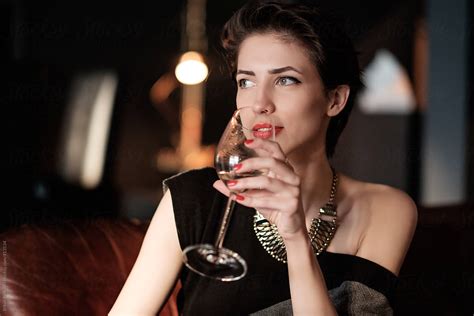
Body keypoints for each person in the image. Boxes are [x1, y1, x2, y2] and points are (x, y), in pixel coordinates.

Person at [109, 1, 417, 315]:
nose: (260, 103)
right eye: (247, 81)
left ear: (334, 99)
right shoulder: (193, 199)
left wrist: (296, 237)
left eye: (286, 80)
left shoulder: (385, 210)